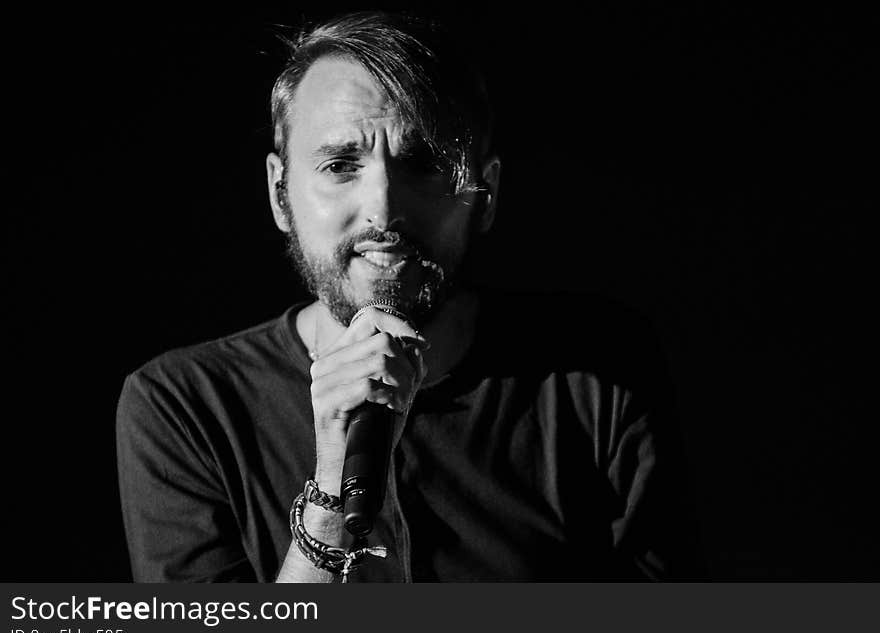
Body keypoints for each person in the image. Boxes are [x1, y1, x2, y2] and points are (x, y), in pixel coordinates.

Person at [116, 10, 702, 582]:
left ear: (486, 195)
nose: (383, 209)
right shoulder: (185, 406)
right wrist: (328, 499)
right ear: (279, 194)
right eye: (342, 164)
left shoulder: (598, 374)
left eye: (424, 163)